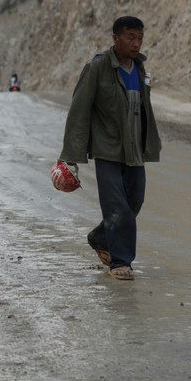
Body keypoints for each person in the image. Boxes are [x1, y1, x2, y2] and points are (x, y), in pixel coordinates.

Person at [58, 16, 161, 280]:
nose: (136, 43)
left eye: (139, 37)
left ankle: (99, 237)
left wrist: (150, 144)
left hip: (135, 149)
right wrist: (71, 156)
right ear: (115, 39)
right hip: (108, 150)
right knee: (116, 206)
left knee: (134, 201)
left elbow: (144, 111)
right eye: (130, 37)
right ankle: (120, 262)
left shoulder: (139, 69)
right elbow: (79, 111)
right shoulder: (98, 67)